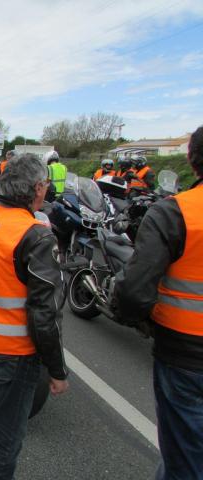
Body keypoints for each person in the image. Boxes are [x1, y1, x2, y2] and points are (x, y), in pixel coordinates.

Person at [0, 153, 69, 480]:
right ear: (37, 188)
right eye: (46, 185)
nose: (46, 191)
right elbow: (45, 313)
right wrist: (57, 368)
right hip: (15, 353)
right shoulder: (35, 234)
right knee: (5, 437)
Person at [114, 126, 203, 480]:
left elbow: (135, 290)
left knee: (184, 456)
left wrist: (134, 318)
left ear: (190, 160)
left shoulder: (176, 212)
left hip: (186, 354)